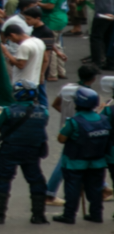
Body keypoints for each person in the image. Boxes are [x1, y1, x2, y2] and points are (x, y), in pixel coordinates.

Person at [0, 81, 49, 224]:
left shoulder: (8, 111)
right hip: (32, 150)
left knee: (3, 179)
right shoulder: (43, 111)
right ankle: (38, 215)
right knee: (36, 180)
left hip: (10, 149)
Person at [53, 86, 107, 225]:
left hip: (75, 162)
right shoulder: (103, 119)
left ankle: (69, 215)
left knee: (72, 189)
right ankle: (96, 214)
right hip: (97, 162)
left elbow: (61, 139)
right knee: (95, 189)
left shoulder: (74, 122)